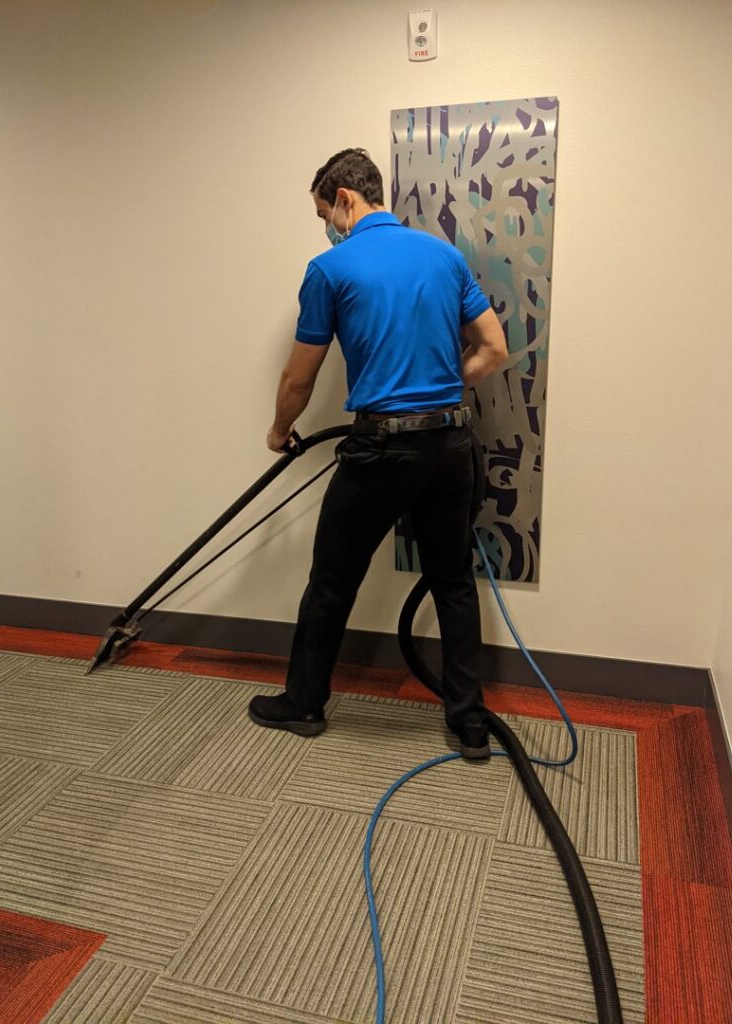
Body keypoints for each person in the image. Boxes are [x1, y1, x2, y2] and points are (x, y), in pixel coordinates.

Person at [248, 148, 507, 758]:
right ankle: (469, 722)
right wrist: (438, 389)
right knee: (453, 584)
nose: (326, 227)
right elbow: (493, 350)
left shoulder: (330, 268)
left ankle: (304, 703)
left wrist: (278, 430)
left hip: (381, 452)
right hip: (450, 445)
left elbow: (298, 379)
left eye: (323, 213)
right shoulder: (444, 256)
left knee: (332, 583)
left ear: (344, 199)